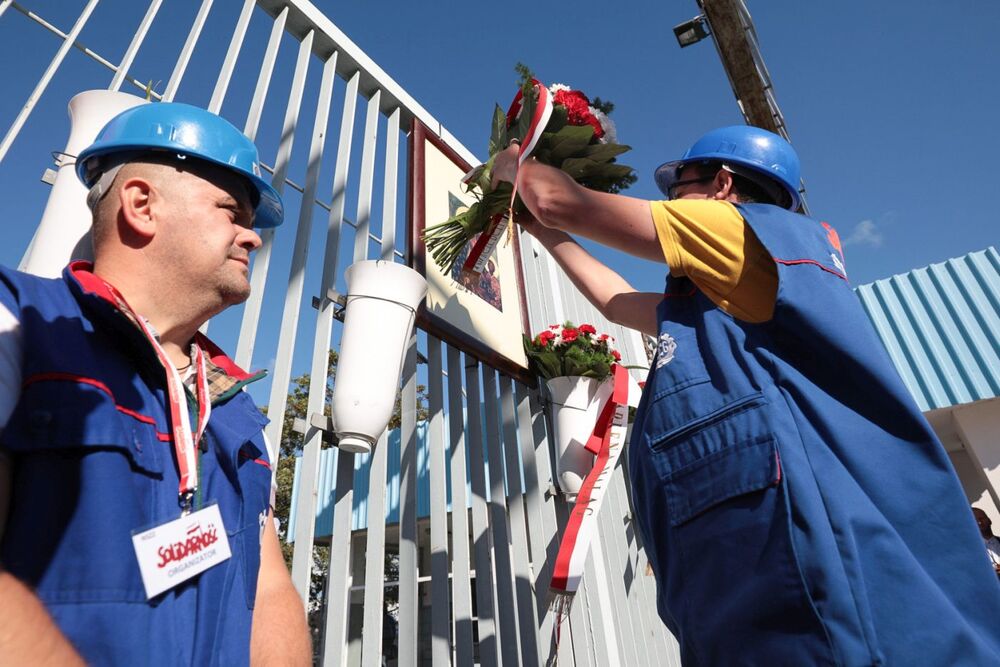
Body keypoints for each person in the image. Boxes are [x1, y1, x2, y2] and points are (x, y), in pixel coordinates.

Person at [492, 125, 1000, 664]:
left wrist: (515, 166)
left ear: (722, 184)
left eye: (678, 188)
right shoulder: (725, 290)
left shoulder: (737, 227)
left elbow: (558, 200)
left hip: (789, 561)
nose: (671, 203)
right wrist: (540, 229)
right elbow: (615, 302)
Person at [0, 103, 311, 665]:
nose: (253, 239)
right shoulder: (17, 325)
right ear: (142, 204)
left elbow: (267, 590)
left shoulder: (237, 413)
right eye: (232, 212)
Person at [972, 506, 1000, 576]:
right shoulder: (972, 551)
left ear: (989, 520)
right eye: (975, 521)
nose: (979, 522)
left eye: (981, 518)